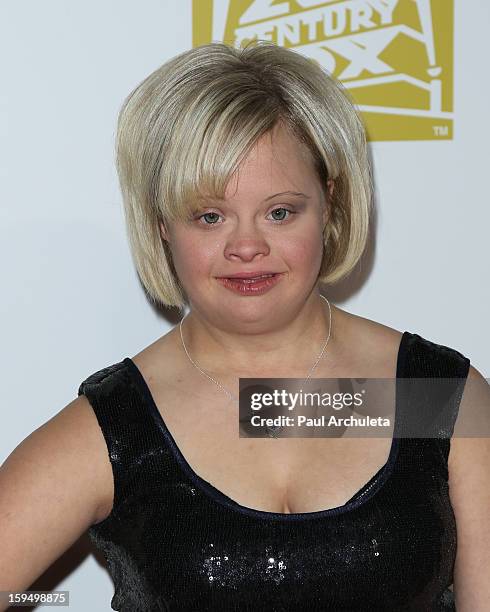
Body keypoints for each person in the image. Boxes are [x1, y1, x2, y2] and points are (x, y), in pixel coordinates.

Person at [0, 40, 488, 612]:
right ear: (161, 224)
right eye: (210, 216)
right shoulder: (117, 425)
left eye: (280, 211)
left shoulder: (433, 397)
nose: (248, 247)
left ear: (328, 203)